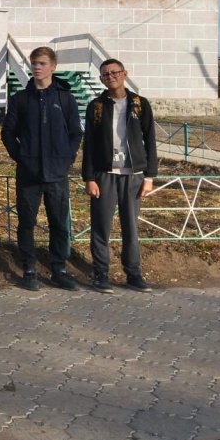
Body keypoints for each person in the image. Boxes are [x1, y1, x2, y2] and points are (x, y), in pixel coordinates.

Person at [1, 47, 83, 292]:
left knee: (59, 223)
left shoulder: (65, 98)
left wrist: (66, 158)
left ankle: (59, 270)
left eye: (42, 63)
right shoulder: (20, 98)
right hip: (29, 174)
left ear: (53, 66)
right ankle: (29, 269)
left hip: (57, 174)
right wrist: (21, 156)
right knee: (26, 223)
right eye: (34, 63)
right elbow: (8, 133)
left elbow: (75, 132)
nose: (37, 67)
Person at [82, 58, 158, 294]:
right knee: (101, 226)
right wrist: (89, 177)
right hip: (104, 174)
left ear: (124, 74)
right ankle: (100, 274)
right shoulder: (96, 106)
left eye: (115, 72)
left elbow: (150, 139)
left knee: (131, 228)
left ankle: (133, 274)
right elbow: (89, 143)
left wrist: (149, 176)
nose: (111, 77)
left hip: (133, 175)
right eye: (105, 74)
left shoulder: (139, 104)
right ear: (101, 79)